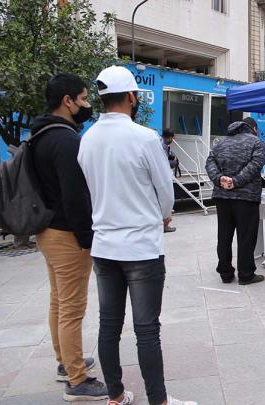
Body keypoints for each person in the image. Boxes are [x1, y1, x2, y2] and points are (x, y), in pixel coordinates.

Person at [78, 65, 195, 405]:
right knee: (146, 330)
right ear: (131, 97)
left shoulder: (87, 139)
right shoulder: (144, 137)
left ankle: (115, 395)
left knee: (109, 325)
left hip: (104, 246)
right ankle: (158, 400)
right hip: (141, 247)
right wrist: (161, 215)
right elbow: (166, 192)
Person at [31, 73, 107, 402]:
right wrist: (87, 238)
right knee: (72, 308)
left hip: (47, 229)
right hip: (66, 234)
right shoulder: (66, 140)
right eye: (84, 98)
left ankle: (65, 361)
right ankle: (77, 379)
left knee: (58, 301)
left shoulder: (40, 134)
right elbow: (75, 196)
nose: (87, 104)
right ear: (68, 101)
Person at [205, 117, 265, 285]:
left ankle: (225, 273)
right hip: (246, 197)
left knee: (224, 236)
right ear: (254, 128)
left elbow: (209, 162)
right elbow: (255, 165)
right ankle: (246, 274)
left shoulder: (220, 143)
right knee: (246, 237)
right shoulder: (257, 142)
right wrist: (236, 181)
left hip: (222, 196)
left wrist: (220, 179)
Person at [161, 129, 178, 233]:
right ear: (169, 137)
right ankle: (165, 225)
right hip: (164, 177)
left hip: (164, 176)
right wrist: (174, 162)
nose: (172, 140)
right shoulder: (163, 146)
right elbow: (165, 163)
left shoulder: (162, 145)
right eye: (172, 137)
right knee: (168, 200)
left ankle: (165, 223)